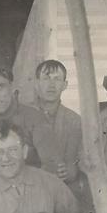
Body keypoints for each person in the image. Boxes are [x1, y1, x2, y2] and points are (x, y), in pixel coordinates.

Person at [0, 66, 66, 181]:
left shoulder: (34, 117)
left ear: (12, 87)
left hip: (34, 185)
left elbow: (51, 164)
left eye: (0, 87)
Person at [30, 60, 82, 193]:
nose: (51, 85)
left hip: (62, 188)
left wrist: (71, 170)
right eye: (46, 78)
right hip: (28, 188)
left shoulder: (75, 121)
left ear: (65, 85)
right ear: (36, 84)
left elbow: (78, 160)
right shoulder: (23, 115)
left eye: (57, 79)